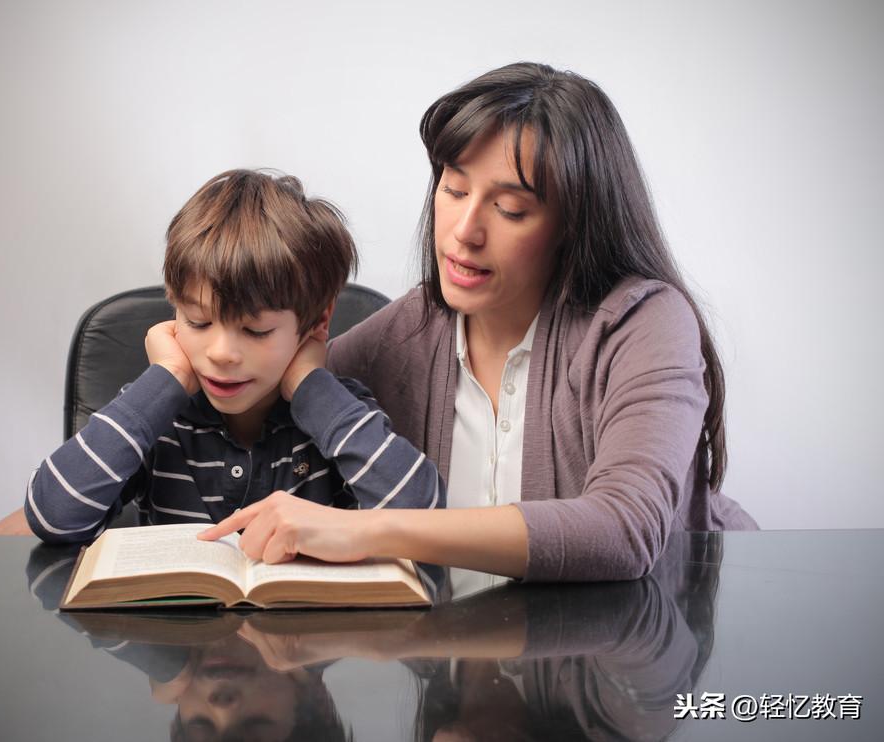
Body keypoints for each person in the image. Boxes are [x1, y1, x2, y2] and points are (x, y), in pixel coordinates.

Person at [201, 63, 757, 580]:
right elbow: (259, 382)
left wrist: (369, 531)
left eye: (510, 209)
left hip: (661, 646)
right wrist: (173, 369)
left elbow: (625, 530)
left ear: (574, 223)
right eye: (455, 188)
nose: (464, 229)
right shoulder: (401, 337)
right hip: (468, 667)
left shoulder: (642, 323)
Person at [23, 169, 442, 543]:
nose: (221, 353)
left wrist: (311, 387)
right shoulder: (155, 414)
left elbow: (424, 519)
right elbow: (53, 517)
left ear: (317, 321)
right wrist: (165, 378)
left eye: (255, 331)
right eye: (198, 322)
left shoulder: (338, 413)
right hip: (173, 631)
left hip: (306, 630)